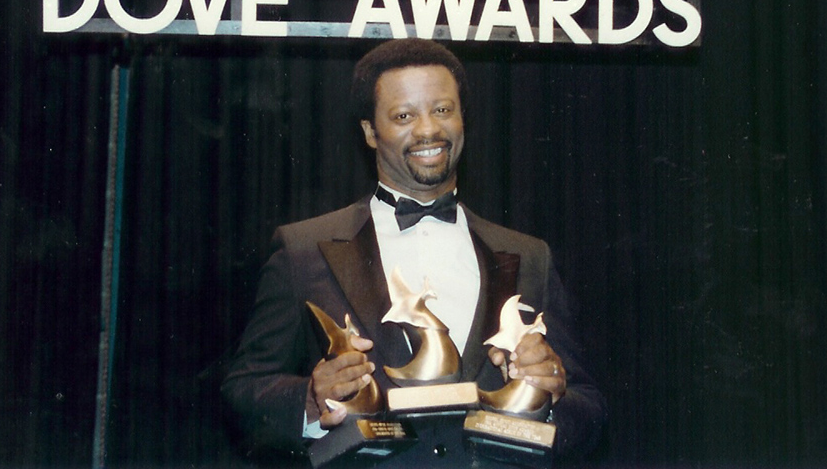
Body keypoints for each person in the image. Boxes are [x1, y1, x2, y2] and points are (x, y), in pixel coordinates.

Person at [221, 39, 604, 467]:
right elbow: (243, 391)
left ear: (462, 118)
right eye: (404, 116)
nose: (427, 130)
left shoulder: (530, 255)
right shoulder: (302, 250)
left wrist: (550, 395)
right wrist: (310, 399)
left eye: (442, 109)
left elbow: (588, 408)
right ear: (370, 132)